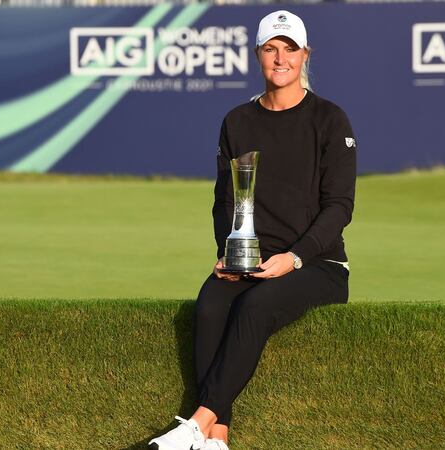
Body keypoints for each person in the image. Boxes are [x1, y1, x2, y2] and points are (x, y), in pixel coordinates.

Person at [149, 9, 357, 450]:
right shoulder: (237, 122)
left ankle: (196, 423)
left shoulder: (330, 119)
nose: (280, 58)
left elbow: (340, 207)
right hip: (251, 259)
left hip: (317, 264)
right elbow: (225, 200)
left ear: (305, 55)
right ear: (258, 55)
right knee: (209, 304)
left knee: (256, 305)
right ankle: (217, 439)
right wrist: (229, 254)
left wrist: (295, 258)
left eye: (290, 49)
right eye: (270, 49)